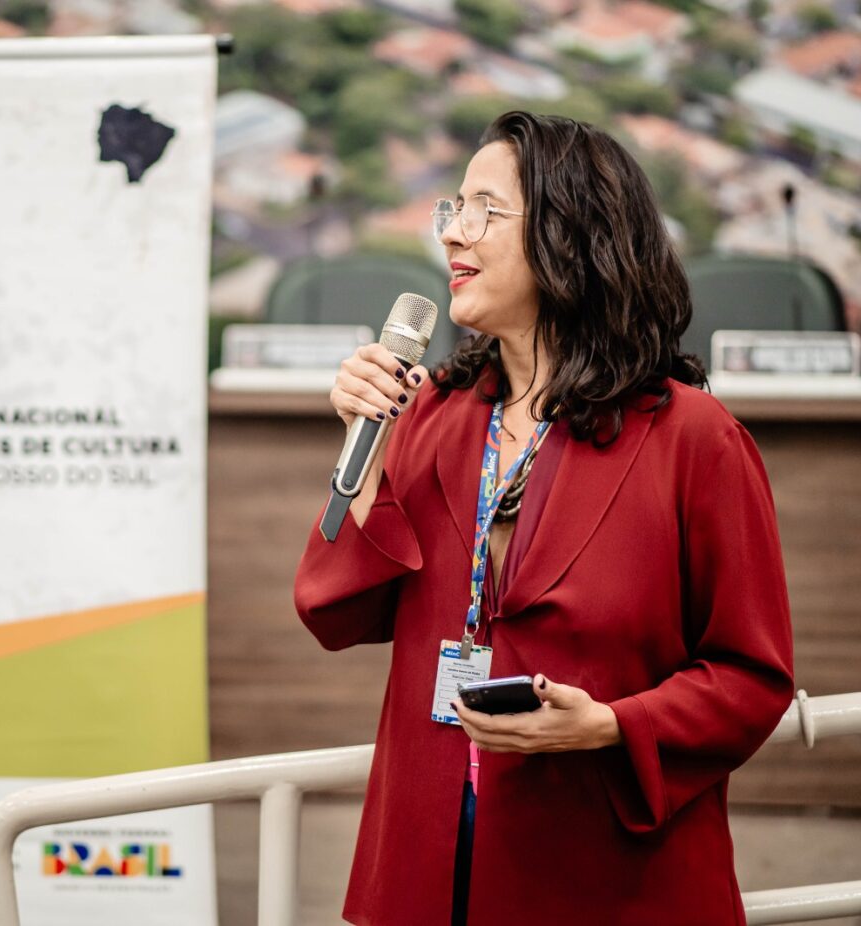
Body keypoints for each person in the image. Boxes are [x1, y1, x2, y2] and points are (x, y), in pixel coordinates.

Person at [293, 111, 794, 926]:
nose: (453, 232)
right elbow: (334, 612)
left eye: (484, 210)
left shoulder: (696, 440)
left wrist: (612, 725)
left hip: (607, 877)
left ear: (572, 236)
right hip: (429, 866)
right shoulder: (434, 411)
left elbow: (752, 677)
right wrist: (367, 453)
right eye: (452, 207)